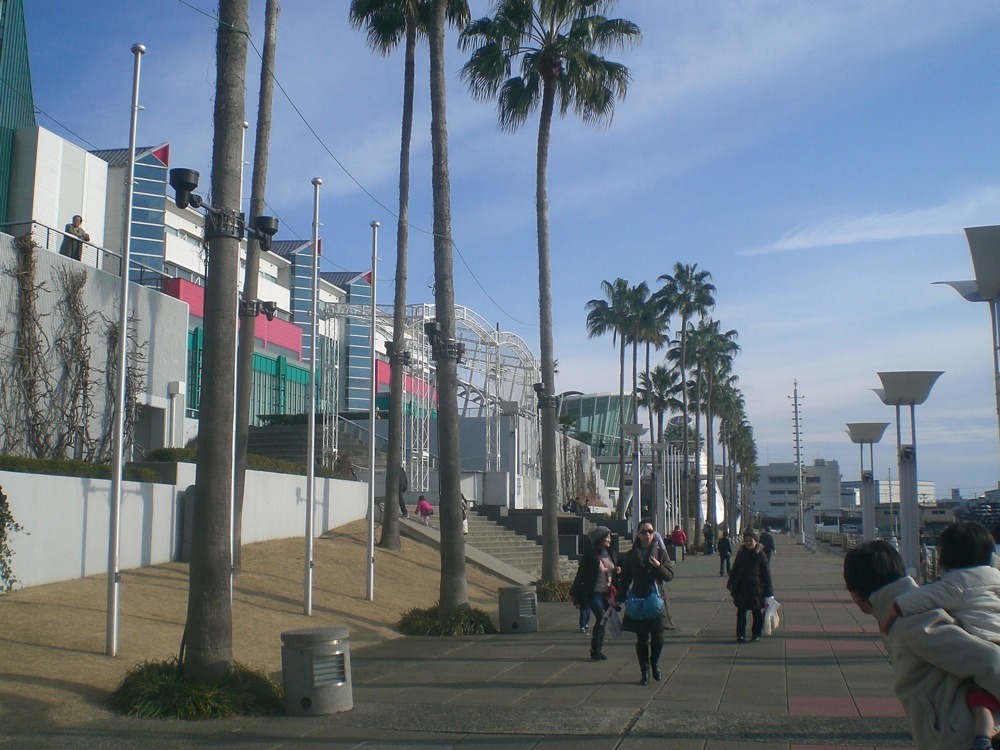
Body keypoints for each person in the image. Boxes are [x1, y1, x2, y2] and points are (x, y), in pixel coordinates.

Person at [844, 540, 1000, 750]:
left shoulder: (911, 622)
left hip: (960, 738)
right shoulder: (910, 607)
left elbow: (989, 660)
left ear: (856, 596)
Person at [616, 519, 674, 684]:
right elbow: (625, 579)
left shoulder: (661, 553)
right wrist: (619, 599)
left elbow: (669, 576)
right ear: (638, 534)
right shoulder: (630, 555)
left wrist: (658, 567)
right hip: (639, 599)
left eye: (650, 531)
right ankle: (645, 671)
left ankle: (655, 662)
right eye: (643, 531)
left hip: (657, 600)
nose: (647, 534)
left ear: (654, 533)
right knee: (642, 639)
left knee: (658, 637)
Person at [569, 526, 619, 659]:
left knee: (604, 620)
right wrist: (575, 592)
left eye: (609, 537)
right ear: (599, 539)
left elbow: (613, 570)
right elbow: (581, 574)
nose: (609, 539)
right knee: (601, 617)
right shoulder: (590, 555)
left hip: (607, 593)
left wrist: (617, 570)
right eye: (606, 537)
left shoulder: (611, 553)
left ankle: (597, 649)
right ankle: (595, 650)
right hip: (594, 592)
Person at [727, 528, 773, 642]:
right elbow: (735, 569)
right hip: (742, 588)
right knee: (741, 613)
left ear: (756, 541)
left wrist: (769, 593)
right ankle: (740, 634)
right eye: (746, 540)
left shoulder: (761, 555)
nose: (748, 543)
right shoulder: (741, 553)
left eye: (750, 540)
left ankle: (756, 634)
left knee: (756, 613)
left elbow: (767, 575)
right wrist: (730, 583)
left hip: (756, 590)